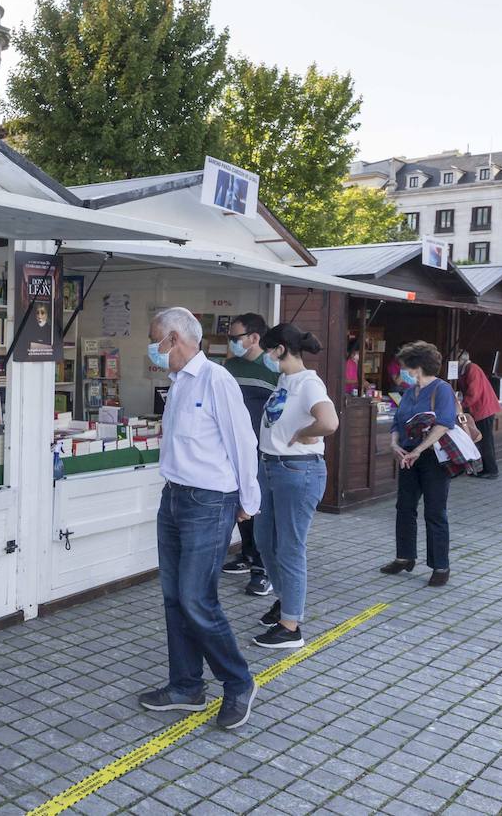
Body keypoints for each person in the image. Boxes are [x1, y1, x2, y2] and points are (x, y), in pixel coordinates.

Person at [137, 307, 260, 730]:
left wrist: (249, 500)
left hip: (210, 502)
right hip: (173, 499)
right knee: (174, 598)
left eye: (156, 340)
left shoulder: (216, 380)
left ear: (175, 339)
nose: (152, 349)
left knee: (196, 598)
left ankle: (238, 681)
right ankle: (186, 685)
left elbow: (243, 441)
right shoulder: (177, 384)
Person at [251, 324, 338, 650]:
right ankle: (285, 600)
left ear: (281, 350)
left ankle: (291, 626)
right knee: (265, 540)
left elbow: (329, 422)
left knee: (289, 547)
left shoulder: (308, 383)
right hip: (272, 467)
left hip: (296, 470)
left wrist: (304, 434)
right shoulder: (285, 381)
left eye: (268, 352)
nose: (265, 358)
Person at [381, 341, 457, 587]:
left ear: (418, 367)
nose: (402, 371)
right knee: (404, 507)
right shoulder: (409, 392)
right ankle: (404, 556)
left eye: (406, 367)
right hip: (407, 455)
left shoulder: (442, 389)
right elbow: (397, 422)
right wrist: (394, 444)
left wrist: (420, 450)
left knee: (435, 511)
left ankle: (440, 565)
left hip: (433, 456)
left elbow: (444, 423)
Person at [220, 312, 277, 597]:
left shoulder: (273, 369)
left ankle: (262, 569)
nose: (231, 342)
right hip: (232, 448)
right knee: (239, 504)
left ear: (254, 338)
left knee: (259, 507)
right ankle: (246, 553)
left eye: (235, 337)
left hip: (262, 449)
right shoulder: (229, 366)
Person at [456, 350, 500, 479]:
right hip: (483, 408)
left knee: (485, 440)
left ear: (461, 360)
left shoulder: (472, 369)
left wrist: (461, 406)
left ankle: (491, 470)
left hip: (483, 409)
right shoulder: (469, 369)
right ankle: (488, 469)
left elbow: (473, 393)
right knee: (485, 440)